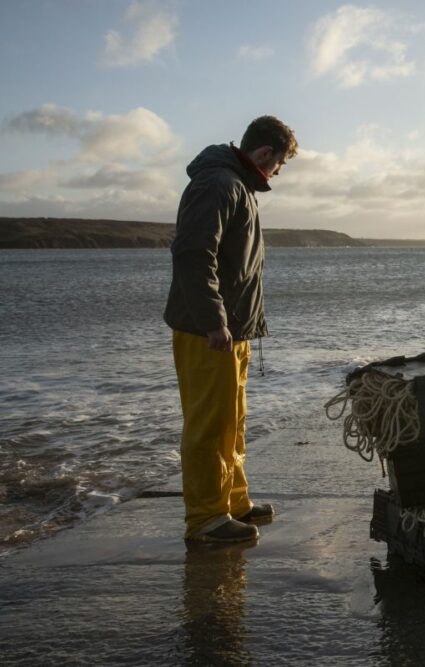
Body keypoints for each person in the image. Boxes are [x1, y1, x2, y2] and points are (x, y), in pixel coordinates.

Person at [164, 115, 298, 543]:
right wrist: (214, 321)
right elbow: (192, 254)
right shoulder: (219, 185)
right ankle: (206, 519)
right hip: (209, 331)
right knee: (208, 425)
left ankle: (233, 501)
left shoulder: (235, 185)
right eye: (280, 164)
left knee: (231, 421)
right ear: (264, 155)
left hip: (230, 331)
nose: (279, 173)